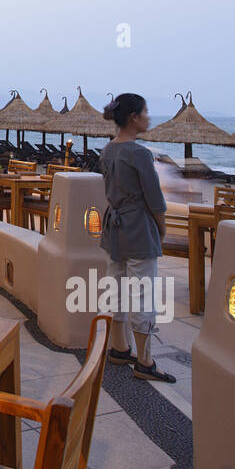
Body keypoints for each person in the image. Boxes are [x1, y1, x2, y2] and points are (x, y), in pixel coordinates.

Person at [99, 93, 175, 383]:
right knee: (142, 293)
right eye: (145, 112)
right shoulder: (139, 153)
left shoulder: (107, 150)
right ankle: (145, 362)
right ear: (133, 117)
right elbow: (154, 199)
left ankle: (119, 348)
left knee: (115, 288)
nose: (148, 117)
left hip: (114, 226)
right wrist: (162, 227)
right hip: (138, 226)